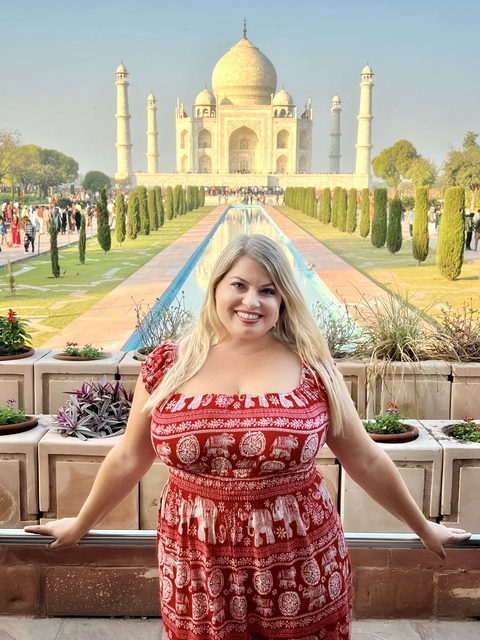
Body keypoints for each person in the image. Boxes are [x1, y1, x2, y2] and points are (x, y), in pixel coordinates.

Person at [24, 235, 470, 640]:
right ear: (216, 287)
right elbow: (128, 458)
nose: (251, 301)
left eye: (268, 290)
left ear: (284, 300)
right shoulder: (168, 365)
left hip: (302, 562)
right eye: (239, 285)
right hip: (196, 563)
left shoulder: (313, 367)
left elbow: (365, 459)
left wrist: (423, 527)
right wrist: (81, 524)